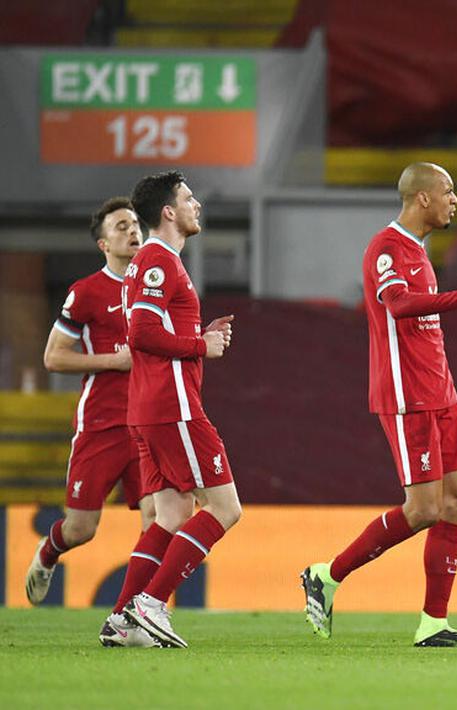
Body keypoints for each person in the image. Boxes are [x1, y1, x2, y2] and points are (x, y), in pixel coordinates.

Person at [301, 163, 457, 647]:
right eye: (448, 191)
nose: (455, 200)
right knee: (423, 509)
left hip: (441, 391)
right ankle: (326, 575)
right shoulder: (386, 248)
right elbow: (397, 304)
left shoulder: (419, 250)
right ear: (422, 199)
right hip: (406, 393)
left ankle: (433, 622)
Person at [113, 171, 239, 649]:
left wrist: (199, 336)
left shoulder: (151, 263)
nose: (197, 205)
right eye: (189, 198)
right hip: (174, 406)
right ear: (168, 211)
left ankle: (123, 619)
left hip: (150, 405)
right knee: (225, 507)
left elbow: (151, 327)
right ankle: (151, 603)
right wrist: (199, 345)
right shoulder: (158, 261)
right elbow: (142, 333)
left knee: (171, 512)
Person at [28, 199, 159, 643]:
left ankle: (129, 617)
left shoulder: (154, 285)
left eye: (135, 224)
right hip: (101, 426)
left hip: (149, 423)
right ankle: (49, 552)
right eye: (121, 227)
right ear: (105, 243)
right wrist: (113, 362)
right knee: (82, 529)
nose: (132, 232)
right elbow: (53, 357)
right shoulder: (86, 292)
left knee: (158, 519)